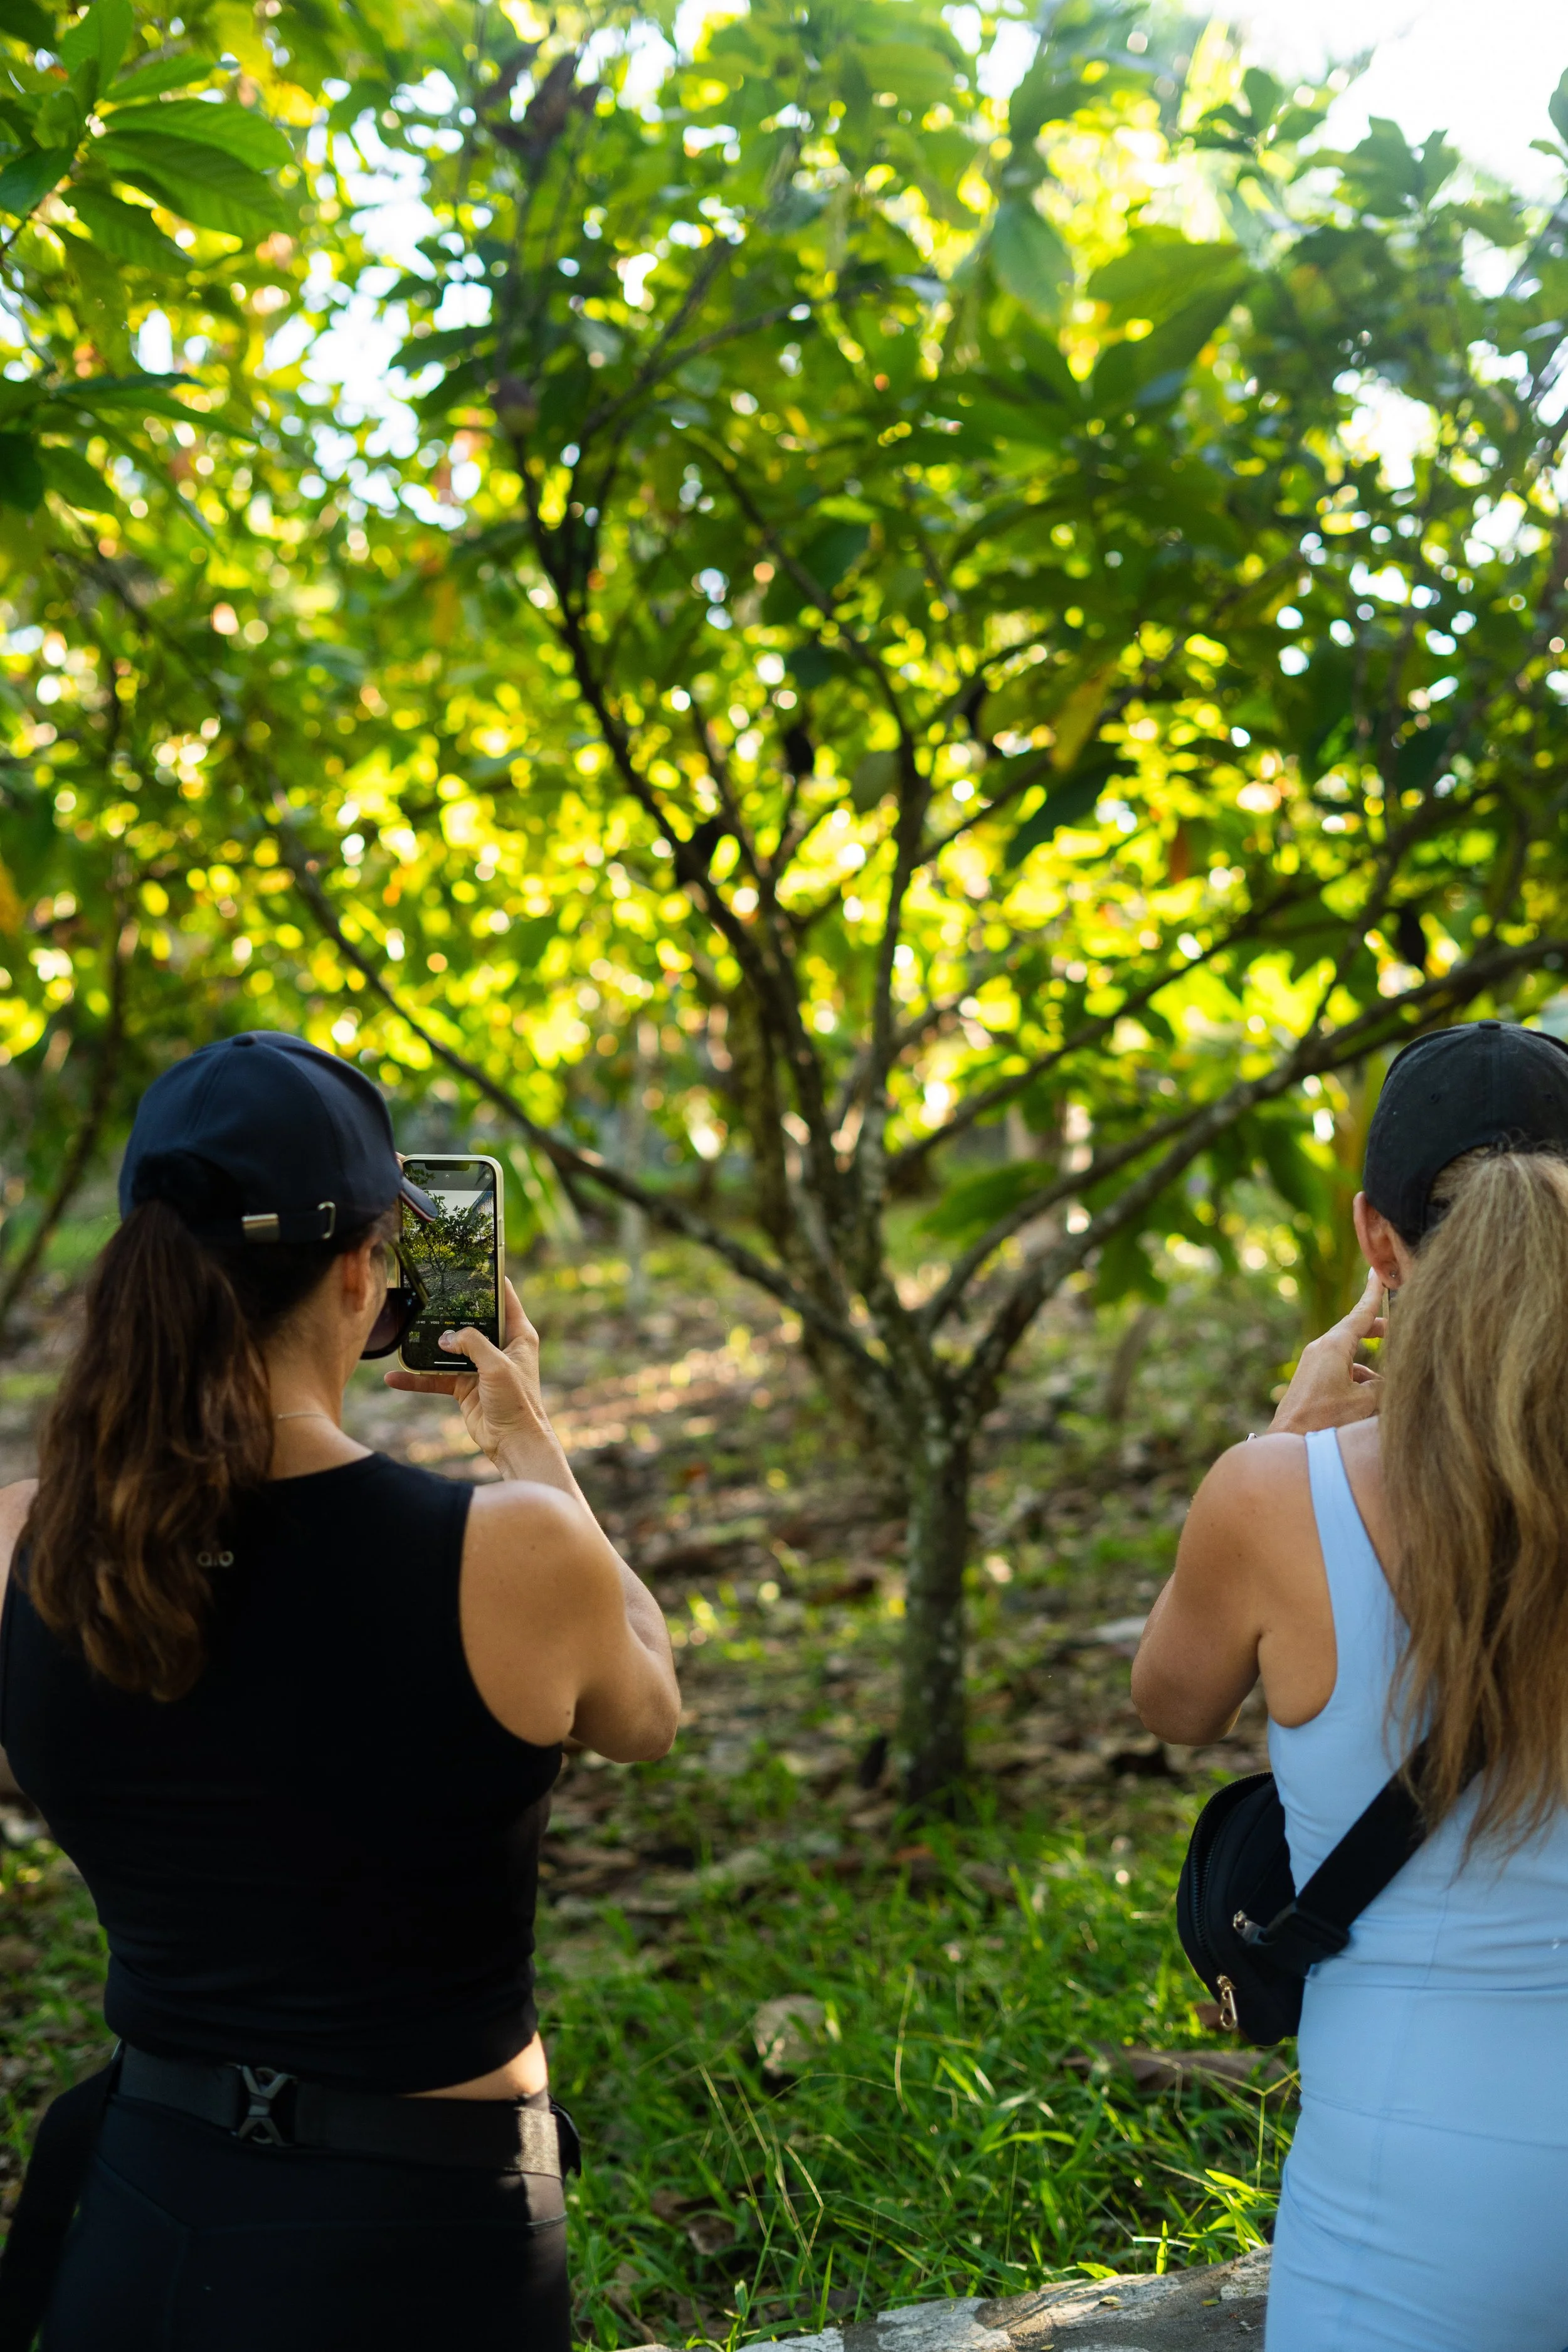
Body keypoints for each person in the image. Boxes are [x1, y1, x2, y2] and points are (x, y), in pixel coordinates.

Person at [0, 1031, 680, 2352]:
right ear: (367, 1272)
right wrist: (525, 1438)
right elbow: (643, 1709)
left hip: (142, 2208)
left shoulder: (25, 1540)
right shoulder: (506, 1554)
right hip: (426, 2240)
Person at [1132, 1019, 1568, 2352]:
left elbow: (1173, 1705)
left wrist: (1278, 1442)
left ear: (1377, 1245)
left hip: (1410, 2220)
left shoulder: (1274, 1500)